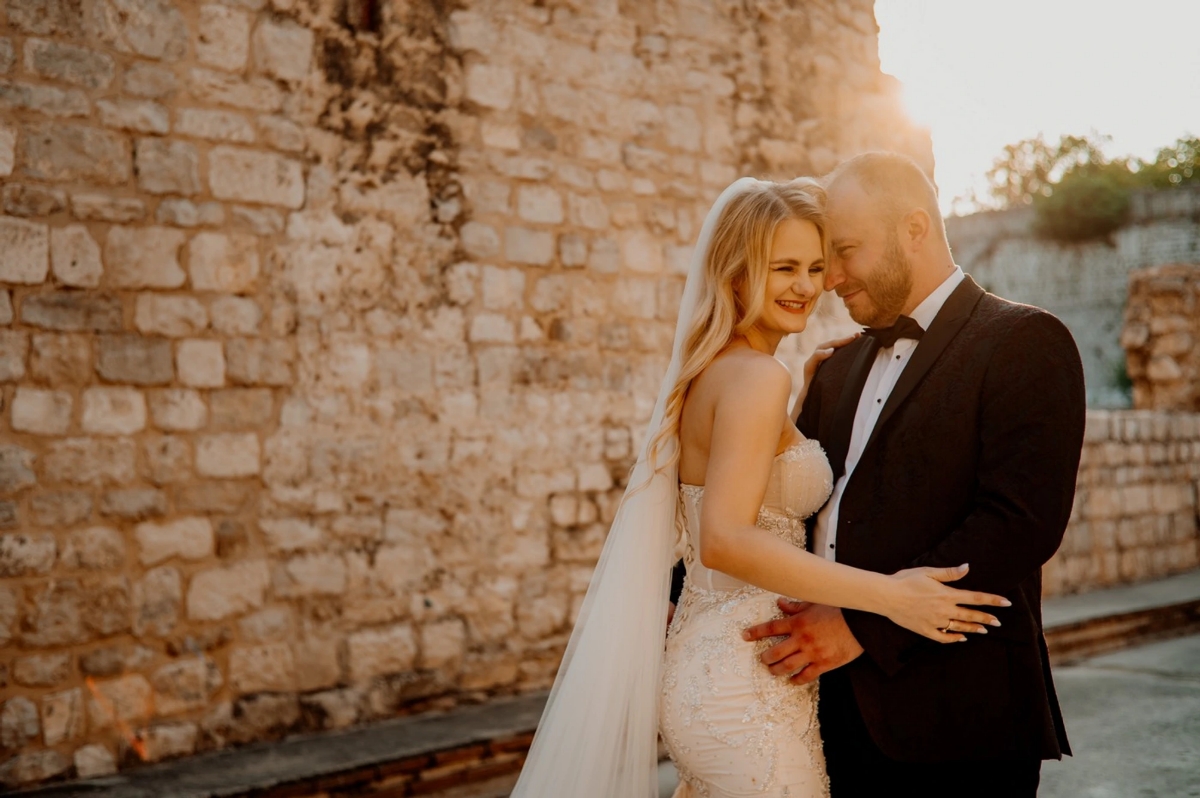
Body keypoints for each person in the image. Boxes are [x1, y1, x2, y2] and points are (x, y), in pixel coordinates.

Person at [509, 176, 1010, 798]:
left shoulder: (721, 370)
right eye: (783, 268)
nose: (806, 286)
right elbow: (723, 538)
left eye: (815, 268)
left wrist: (796, 411)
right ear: (737, 275)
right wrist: (889, 597)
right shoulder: (756, 378)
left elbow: (745, 485)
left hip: (718, 666)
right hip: (744, 680)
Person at [742, 152, 1086, 797]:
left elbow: (1020, 523)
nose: (830, 279)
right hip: (823, 710)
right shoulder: (834, 367)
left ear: (914, 229)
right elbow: (782, 503)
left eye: (845, 252)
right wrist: (682, 592)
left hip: (958, 720)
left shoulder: (1025, 340)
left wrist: (859, 626)